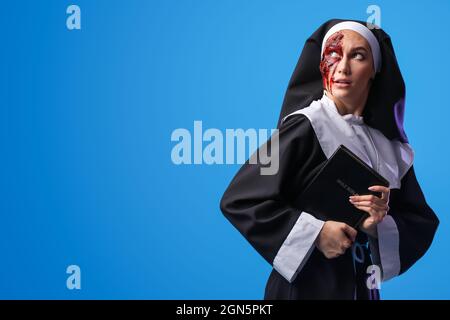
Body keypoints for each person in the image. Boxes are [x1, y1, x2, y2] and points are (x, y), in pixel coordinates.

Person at [219, 19, 439, 300]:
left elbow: (419, 221)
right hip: (304, 289)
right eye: (333, 55)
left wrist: (376, 226)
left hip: (363, 287)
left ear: (375, 69)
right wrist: (317, 234)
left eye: (357, 56)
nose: (342, 67)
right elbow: (241, 198)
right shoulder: (304, 125)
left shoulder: (389, 147)